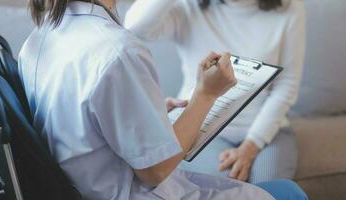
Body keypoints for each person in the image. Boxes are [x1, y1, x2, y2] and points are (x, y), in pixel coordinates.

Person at [18, 0, 307, 199]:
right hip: (137, 189)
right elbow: (155, 171)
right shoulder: (118, 50)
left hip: (94, 185)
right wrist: (206, 94)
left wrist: (149, 113)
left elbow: (86, 125)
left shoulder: (39, 38)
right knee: (289, 194)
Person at [124, 0, 305, 184]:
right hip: (201, 128)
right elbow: (134, 28)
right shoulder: (188, 6)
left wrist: (252, 145)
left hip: (266, 130)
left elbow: (287, 85)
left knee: (271, 187)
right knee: (223, 187)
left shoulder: (290, 7)